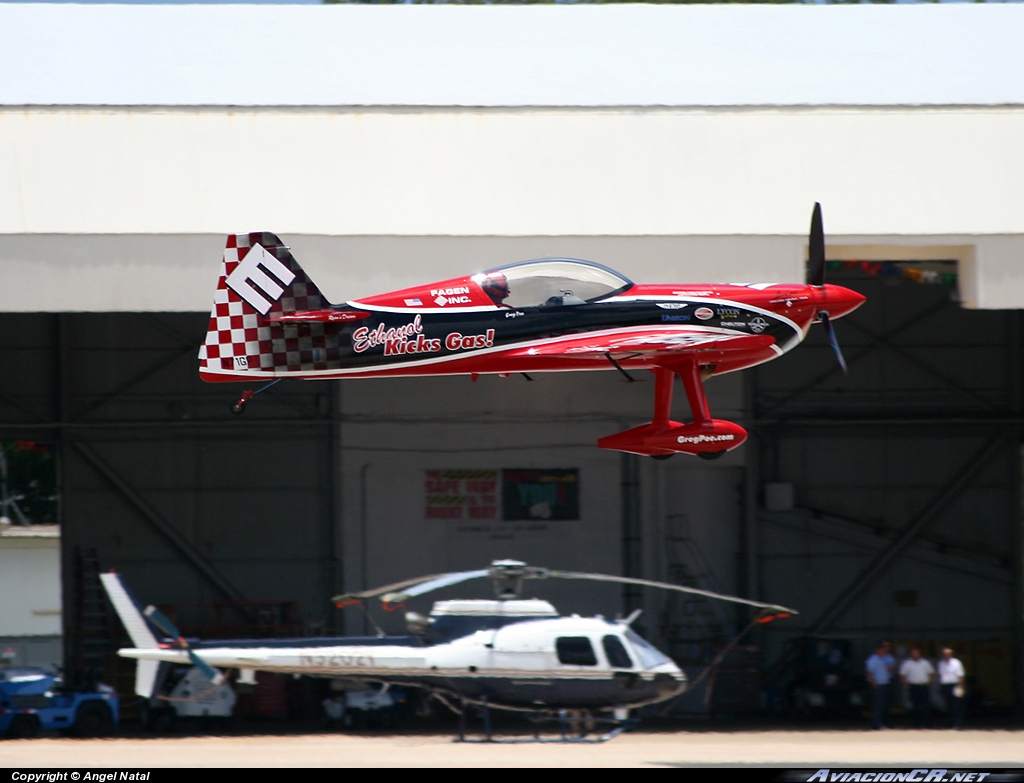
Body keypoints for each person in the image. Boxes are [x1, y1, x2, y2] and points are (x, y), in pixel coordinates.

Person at [899, 647, 935, 728]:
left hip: (924, 686)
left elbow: (932, 673)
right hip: (913, 687)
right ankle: (917, 724)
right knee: (915, 706)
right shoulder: (907, 663)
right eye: (913, 653)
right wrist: (905, 684)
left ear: (920, 654)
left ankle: (927, 724)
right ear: (911, 654)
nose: (915, 654)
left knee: (926, 705)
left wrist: (930, 682)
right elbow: (902, 675)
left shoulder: (925, 663)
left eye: (916, 653)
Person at [865, 640, 896, 729]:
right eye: (882, 649)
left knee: (885, 705)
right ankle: (877, 724)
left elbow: (894, 671)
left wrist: (891, 668)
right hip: (877, 685)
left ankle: (885, 723)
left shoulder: (887, 658)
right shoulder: (873, 659)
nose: (884, 651)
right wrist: (874, 683)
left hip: (886, 684)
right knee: (878, 705)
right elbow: (869, 672)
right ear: (877, 650)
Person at [937, 647, 966, 729]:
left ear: (951, 654)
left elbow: (961, 675)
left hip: (955, 685)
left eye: (948, 654)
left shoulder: (956, 663)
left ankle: (957, 724)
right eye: (944, 654)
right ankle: (949, 723)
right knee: (947, 705)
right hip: (945, 685)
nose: (946, 655)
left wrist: (961, 686)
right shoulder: (941, 663)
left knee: (956, 705)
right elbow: (940, 675)